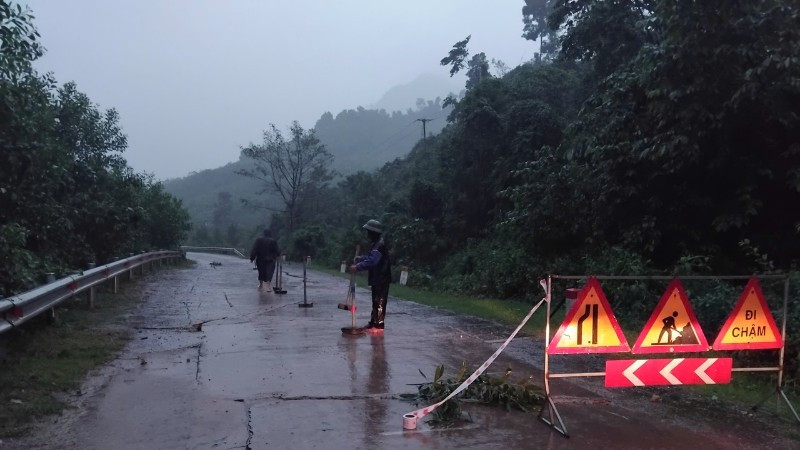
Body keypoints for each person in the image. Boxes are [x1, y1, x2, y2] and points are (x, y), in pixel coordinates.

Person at [349, 219, 392, 330]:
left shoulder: (379, 245)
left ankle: (379, 325)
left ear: (373, 233)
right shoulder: (375, 244)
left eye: (368, 231)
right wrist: (360, 259)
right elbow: (369, 258)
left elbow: (373, 261)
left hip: (382, 278)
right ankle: (373, 322)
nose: (367, 234)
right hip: (376, 278)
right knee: (375, 301)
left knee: (380, 302)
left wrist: (357, 267)